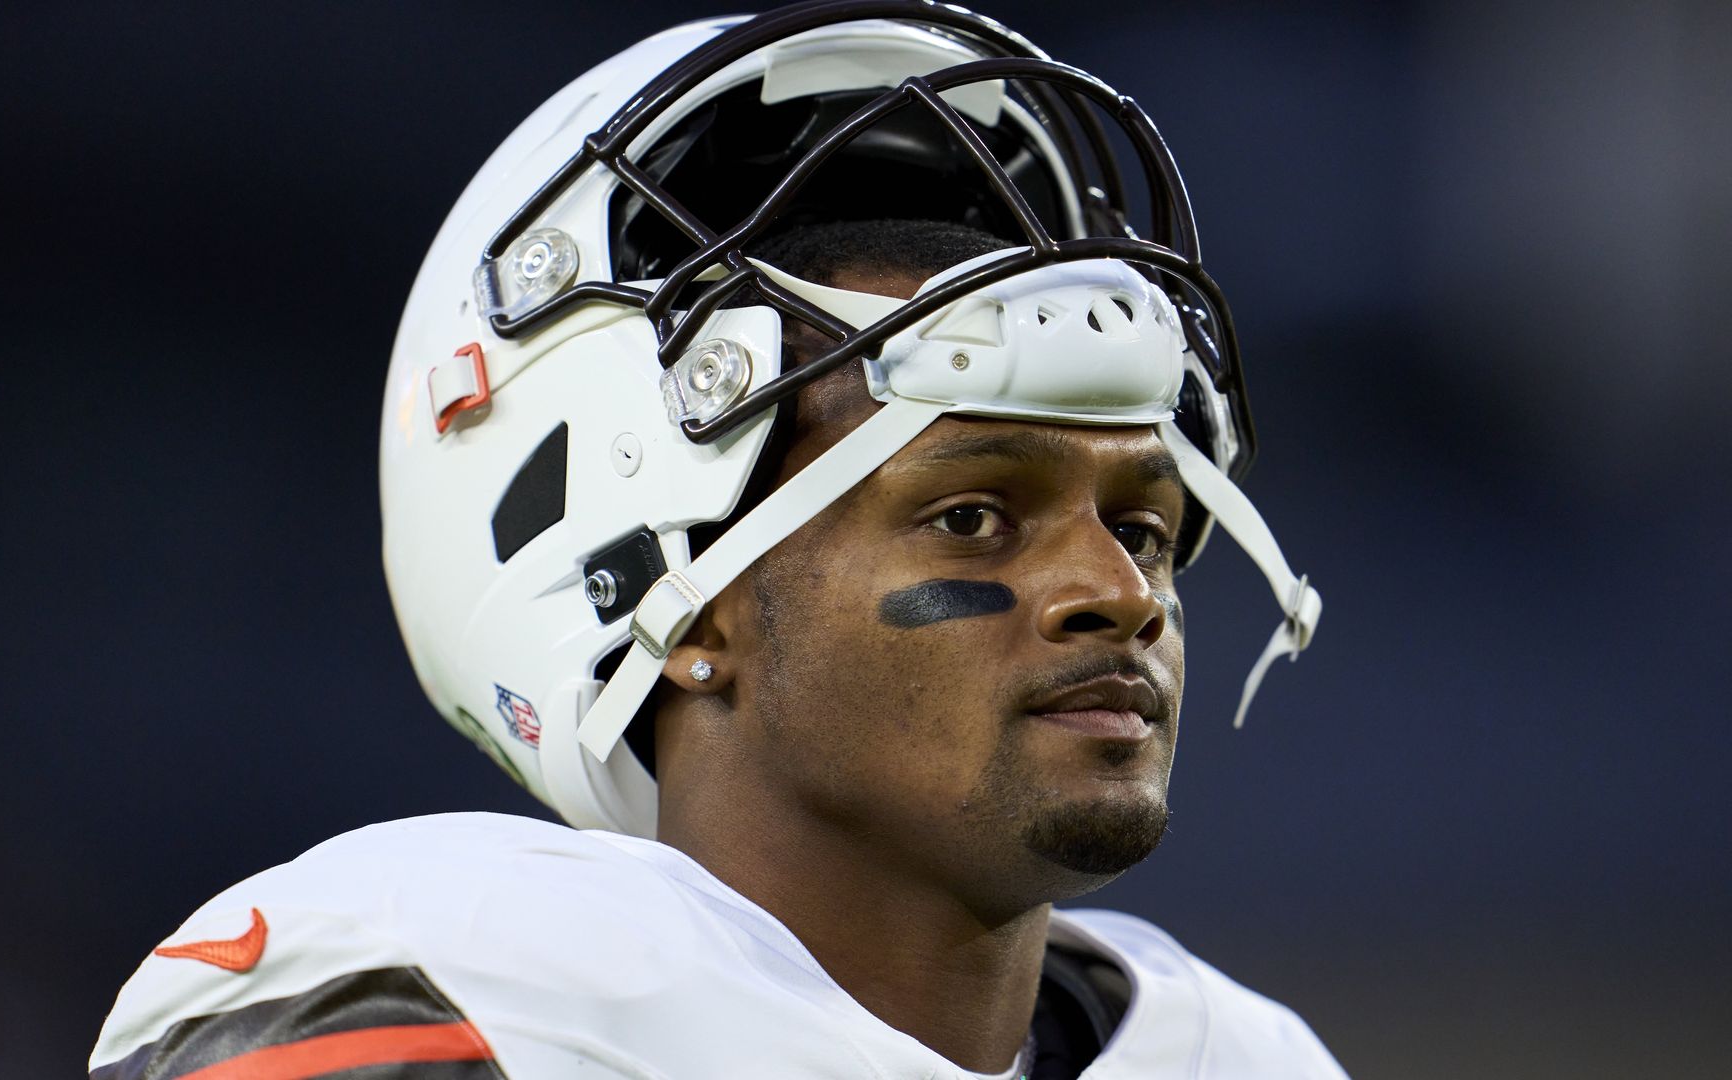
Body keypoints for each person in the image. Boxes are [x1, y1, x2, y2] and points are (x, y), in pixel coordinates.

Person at [90, 3, 1338, 1076]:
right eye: (972, 518)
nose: (1118, 592)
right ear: (685, 607)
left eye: (1141, 526)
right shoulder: (476, 1010)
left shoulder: (1237, 1058)